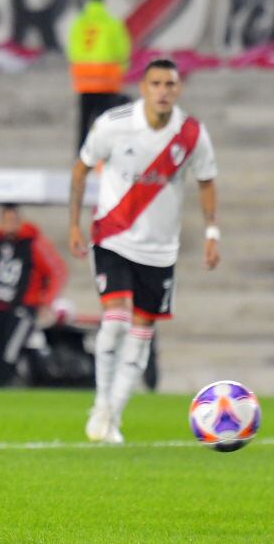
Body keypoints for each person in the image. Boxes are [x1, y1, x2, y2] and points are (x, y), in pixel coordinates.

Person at [69, 58, 219, 445]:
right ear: (144, 88)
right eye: (156, 84)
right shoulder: (113, 124)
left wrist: (212, 232)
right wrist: (73, 223)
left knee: (141, 333)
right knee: (115, 321)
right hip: (114, 236)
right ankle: (101, 406)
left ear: (179, 88)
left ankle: (113, 417)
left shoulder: (191, 134)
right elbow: (82, 167)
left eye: (170, 84)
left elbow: (206, 180)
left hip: (160, 249)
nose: (163, 91)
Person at [0, 204, 67, 387]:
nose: (10, 224)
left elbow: (58, 271)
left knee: (10, 352)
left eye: (13, 220)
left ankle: (4, 387)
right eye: (6, 220)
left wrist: (46, 301)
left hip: (23, 307)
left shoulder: (33, 243)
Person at [66, 0, 131, 156]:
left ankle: (81, 153)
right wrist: (121, 70)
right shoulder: (111, 22)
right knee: (104, 119)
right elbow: (122, 49)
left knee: (84, 119)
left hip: (84, 78)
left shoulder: (79, 23)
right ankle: (103, 153)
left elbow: (72, 48)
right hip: (106, 78)